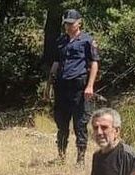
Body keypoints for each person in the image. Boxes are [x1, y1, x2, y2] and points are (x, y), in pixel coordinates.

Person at [48, 9, 100, 165]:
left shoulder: (87, 41)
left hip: (79, 88)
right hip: (61, 88)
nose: (68, 26)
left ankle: (80, 159)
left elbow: (94, 63)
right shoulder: (61, 41)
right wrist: (48, 85)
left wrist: (90, 86)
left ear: (79, 23)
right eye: (66, 24)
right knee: (61, 124)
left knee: (80, 124)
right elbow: (56, 64)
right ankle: (61, 156)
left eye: (71, 23)